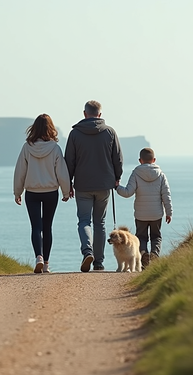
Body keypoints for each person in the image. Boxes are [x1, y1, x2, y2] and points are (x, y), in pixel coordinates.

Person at [65, 100, 123, 272]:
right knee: (100, 223)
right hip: (104, 184)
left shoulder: (75, 134)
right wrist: (117, 177)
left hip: (82, 184)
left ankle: (87, 251)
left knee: (84, 221)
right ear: (100, 114)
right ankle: (98, 262)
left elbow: (69, 161)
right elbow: (118, 159)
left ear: (85, 114)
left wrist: (68, 183)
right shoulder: (110, 132)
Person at [13, 114, 71, 274]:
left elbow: (20, 171)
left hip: (31, 192)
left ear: (34, 128)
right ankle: (46, 264)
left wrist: (17, 191)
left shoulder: (27, 147)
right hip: (51, 192)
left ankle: (38, 256)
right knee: (47, 227)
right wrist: (66, 191)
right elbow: (62, 173)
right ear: (50, 128)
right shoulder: (55, 148)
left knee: (35, 227)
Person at [115, 147, 172, 268]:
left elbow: (128, 192)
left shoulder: (136, 173)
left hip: (140, 214)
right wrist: (169, 212)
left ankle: (143, 253)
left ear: (140, 160)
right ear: (154, 160)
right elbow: (166, 195)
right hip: (156, 214)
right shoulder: (161, 175)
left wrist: (117, 187)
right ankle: (155, 254)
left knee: (141, 237)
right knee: (156, 236)